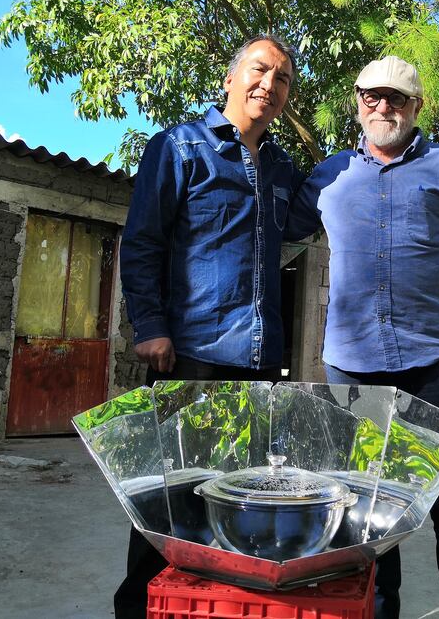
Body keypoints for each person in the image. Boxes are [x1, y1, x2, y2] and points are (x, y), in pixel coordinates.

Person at [285, 56, 439, 619]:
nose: (384, 108)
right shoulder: (328, 176)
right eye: (372, 97)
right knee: (364, 507)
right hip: (352, 367)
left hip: (430, 360)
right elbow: (279, 228)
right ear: (357, 101)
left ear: (417, 107)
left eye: (397, 99)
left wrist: (429, 297)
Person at [116, 34, 303, 618]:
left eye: (282, 79)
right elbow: (142, 241)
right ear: (229, 78)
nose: (268, 86)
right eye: (258, 70)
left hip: (256, 364)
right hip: (189, 356)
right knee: (168, 507)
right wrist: (150, 324)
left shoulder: (282, 170)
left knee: (236, 506)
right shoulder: (179, 148)